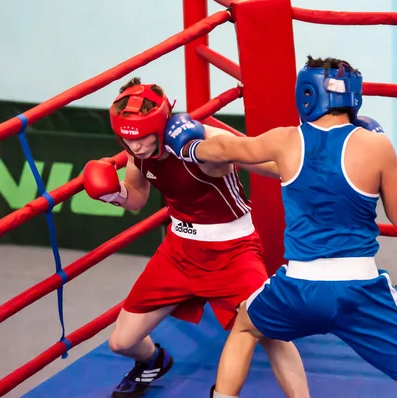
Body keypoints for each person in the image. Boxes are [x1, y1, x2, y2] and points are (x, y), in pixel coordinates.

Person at [164, 57, 397, 398]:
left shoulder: (286, 141)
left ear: (307, 94)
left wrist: (189, 146)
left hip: (299, 287)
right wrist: (386, 165)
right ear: (353, 98)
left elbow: (229, 148)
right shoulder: (375, 146)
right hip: (359, 288)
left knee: (244, 325)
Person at [82, 77, 308, 398]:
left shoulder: (208, 141)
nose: (137, 147)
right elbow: (136, 199)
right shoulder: (137, 150)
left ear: (160, 123)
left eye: (143, 138)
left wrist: (318, 165)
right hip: (178, 252)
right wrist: (114, 194)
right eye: (127, 140)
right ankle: (153, 362)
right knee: (121, 342)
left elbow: (273, 165)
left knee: (272, 332)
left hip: (233, 252)